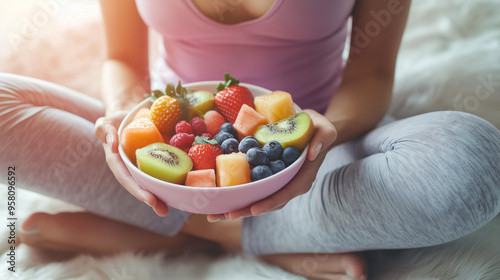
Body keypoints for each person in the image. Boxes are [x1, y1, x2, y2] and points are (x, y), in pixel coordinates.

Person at [1, 0, 500, 279]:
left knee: (469, 162)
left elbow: (370, 73)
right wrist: (120, 117)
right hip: (169, 153)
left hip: (314, 154)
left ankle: (194, 232)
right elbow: (123, 60)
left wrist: (328, 134)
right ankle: (242, 237)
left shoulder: (318, 144)